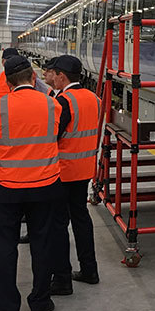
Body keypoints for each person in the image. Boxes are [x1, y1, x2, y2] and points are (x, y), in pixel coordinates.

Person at [0, 55, 63, 311]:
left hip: (7, 187)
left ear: (7, 82)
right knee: (42, 244)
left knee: (5, 248)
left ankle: (7, 309)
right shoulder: (53, 104)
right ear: (34, 77)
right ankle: (40, 302)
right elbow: (57, 136)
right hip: (45, 185)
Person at [49, 55, 101, 296]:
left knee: (58, 225)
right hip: (85, 169)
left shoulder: (64, 101)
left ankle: (62, 279)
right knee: (81, 218)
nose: (52, 78)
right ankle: (90, 269)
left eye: (55, 74)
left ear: (62, 75)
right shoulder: (94, 99)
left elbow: (54, 135)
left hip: (63, 170)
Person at [0, 48, 50, 123]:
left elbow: (47, 94)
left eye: (15, 59)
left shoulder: (31, 77)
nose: (12, 62)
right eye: (9, 59)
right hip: (3, 125)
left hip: (25, 123)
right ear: (2, 62)